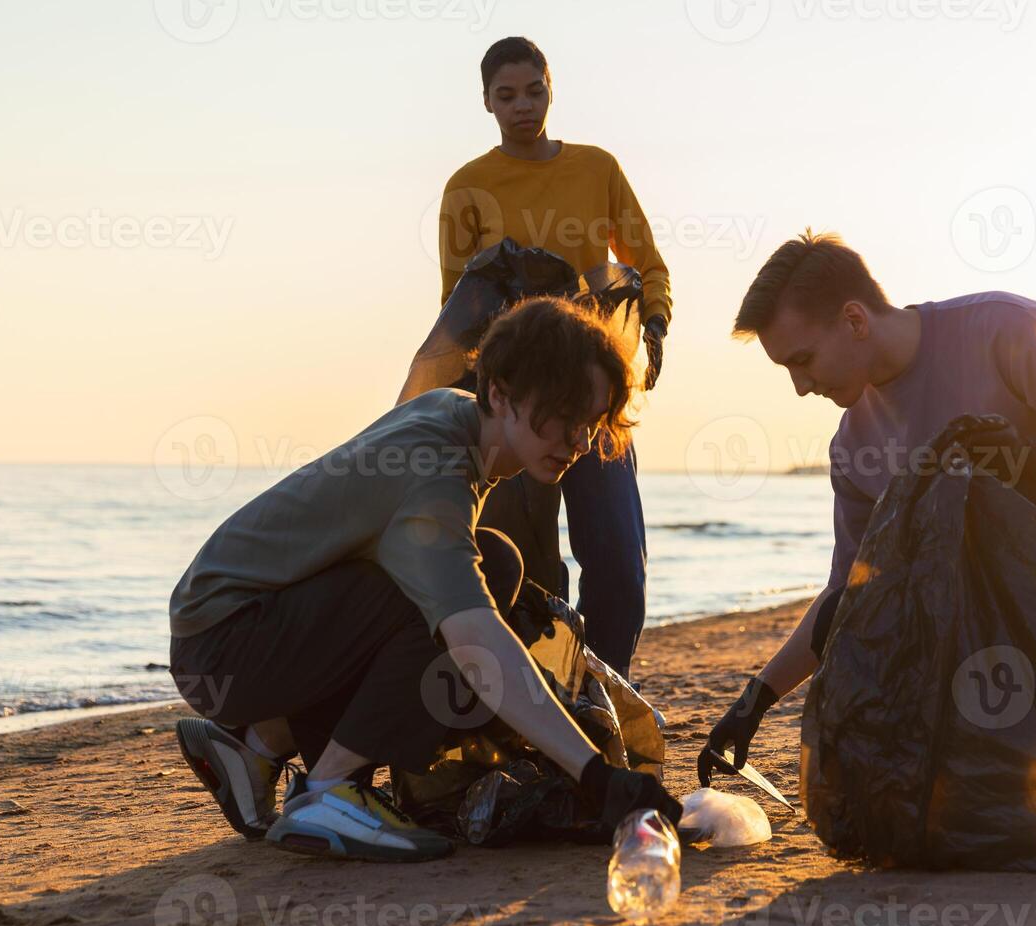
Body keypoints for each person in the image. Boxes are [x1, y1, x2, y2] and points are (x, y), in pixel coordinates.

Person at [169, 297, 681, 862]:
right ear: (500, 393)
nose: (580, 444)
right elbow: (475, 644)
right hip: (225, 644)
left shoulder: (454, 413)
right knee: (453, 604)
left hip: (243, 632)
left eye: (590, 423)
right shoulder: (436, 470)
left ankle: (256, 749)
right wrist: (592, 773)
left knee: (492, 564)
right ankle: (328, 792)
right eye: (566, 417)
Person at [701, 230, 1036, 774]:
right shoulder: (852, 446)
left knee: (963, 492)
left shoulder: (1003, 327)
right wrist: (756, 700)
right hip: (1010, 597)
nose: (799, 386)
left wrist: (1025, 459)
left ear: (854, 320)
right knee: (866, 618)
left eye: (805, 360)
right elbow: (849, 591)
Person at [435, 36, 673, 679]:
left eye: (533, 90)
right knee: (528, 573)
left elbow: (647, 265)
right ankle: (546, 712)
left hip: (596, 401)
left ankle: (607, 693)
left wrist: (654, 325)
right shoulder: (467, 187)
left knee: (620, 566)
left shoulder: (596, 168)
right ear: (485, 101)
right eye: (506, 95)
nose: (522, 106)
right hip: (514, 410)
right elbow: (456, 303)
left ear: (551, 88)